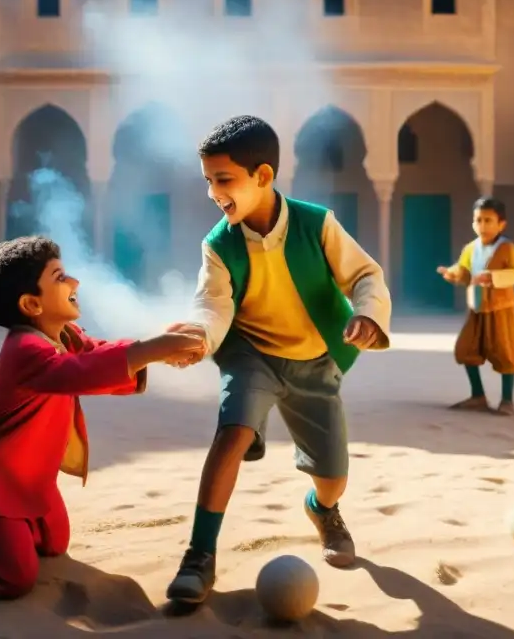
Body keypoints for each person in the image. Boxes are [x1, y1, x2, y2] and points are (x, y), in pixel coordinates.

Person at [0, 235, 205, 602]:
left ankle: (10, 534)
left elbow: (96, 353)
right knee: (15, 577)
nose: (74, 283)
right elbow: (78, 372)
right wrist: (151, 350)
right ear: (32, 303)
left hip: (30, 476)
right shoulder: (25, 349)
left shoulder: (63, 334)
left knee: (54, 542)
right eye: (60, 277)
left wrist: (154, 349)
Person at [163, 114, 392, 605]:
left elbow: (365, 277)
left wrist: (369, 315)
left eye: (223, 180)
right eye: (207, 180)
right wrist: (200, 335)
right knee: (231, 434)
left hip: (314, 360)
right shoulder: (218, 244)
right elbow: (213, 303)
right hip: (251, 354)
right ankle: (199, 555)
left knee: (332, 476)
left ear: (262, 177)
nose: (213, 193)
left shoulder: (316, 223)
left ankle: (322, 509)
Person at [437, 197, 514, 416]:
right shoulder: (471, 248)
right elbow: (464, 270)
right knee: (466, 347)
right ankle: (478, 395)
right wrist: (453, 273)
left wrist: (494, 277)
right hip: (476, 307)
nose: (483, 226)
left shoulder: (506, 248)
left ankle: (507, 400)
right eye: (479, 220)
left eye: (489, 220)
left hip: (500, 308)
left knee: (505, 350)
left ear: (501, 224)